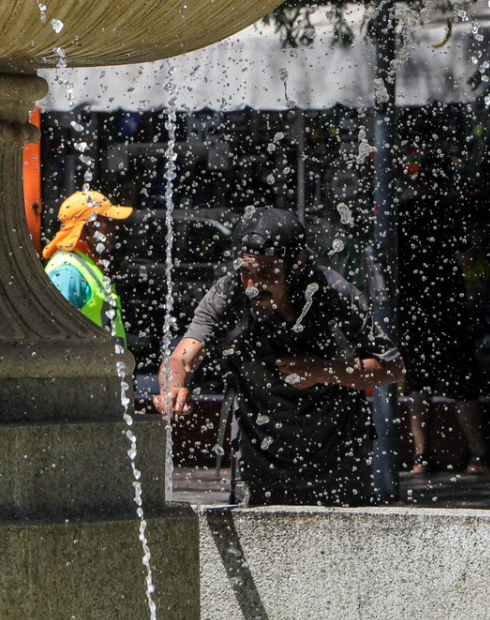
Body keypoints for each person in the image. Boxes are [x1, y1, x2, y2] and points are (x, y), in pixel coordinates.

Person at [155, 207, 404, 506]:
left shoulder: (333, 293)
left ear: (298, 265)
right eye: (246, 271)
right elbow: (181, 357)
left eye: (266, 271)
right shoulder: (228, 293)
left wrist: (323, 370)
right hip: (259, 458)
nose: (252, 285)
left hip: (337, 457)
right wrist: (173, 387)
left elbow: (392, 367)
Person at [397, 149, 490, 474]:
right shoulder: (452, 211)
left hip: (413, 307)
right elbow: (466, 259)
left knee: (417, 384)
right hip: (447, 306)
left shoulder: (404, 212)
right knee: (462, 384)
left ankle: (421, 456)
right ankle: (478, 455)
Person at [42, 191, 133, 341]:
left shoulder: (85, 263)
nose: (115, 226)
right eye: (108, 220)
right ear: (88, 227)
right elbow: (54, 336)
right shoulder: (68, 272)